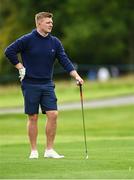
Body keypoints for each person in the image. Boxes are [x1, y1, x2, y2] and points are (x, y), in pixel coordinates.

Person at [5, 12, 84, 159]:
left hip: (47, 83)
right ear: (39, 23)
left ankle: (49, 150)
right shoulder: (27, 39)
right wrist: (20, 67)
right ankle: (34, 150)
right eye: (48, 22)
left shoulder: (55, 42)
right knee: (33, 117)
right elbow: (9, 51)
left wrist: (76, 76)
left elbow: (64, 60)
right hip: (30, 83)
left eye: (51, 22)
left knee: (53, 114)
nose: (51, 24)